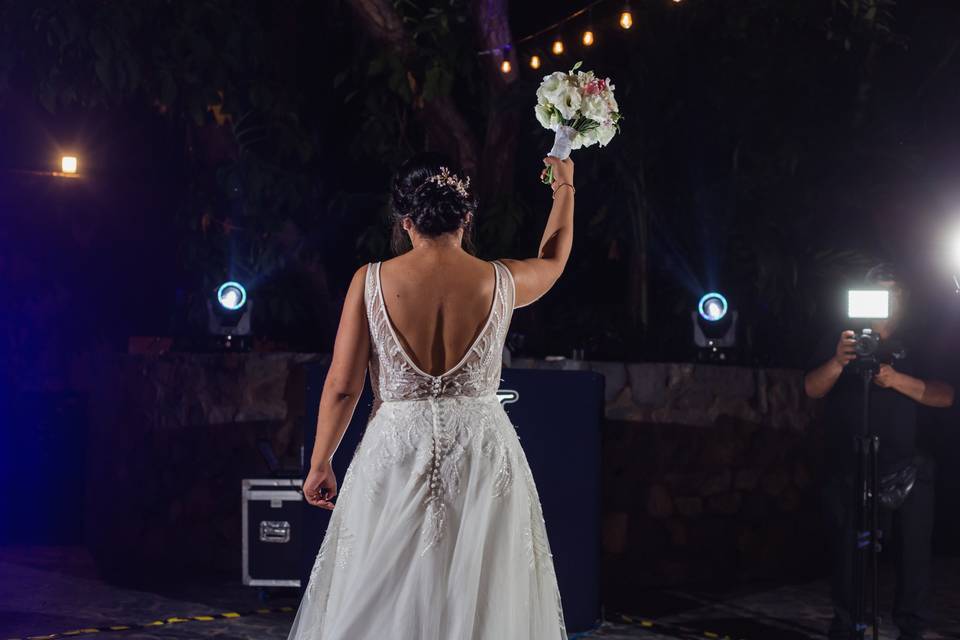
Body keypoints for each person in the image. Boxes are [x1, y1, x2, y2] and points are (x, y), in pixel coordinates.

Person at [286, 153, 575, 640]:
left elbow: (342, 386)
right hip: (481, 452)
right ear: (466, 218)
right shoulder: (498, 281)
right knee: (479, 598)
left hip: (397, 450)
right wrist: (564, 188)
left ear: (406, 221)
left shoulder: (371, 281)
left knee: (383, 590)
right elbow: (553, 261)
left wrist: (321, 462)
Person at [804, 263, 954, 640]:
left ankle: (912, 628)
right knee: (849, 554)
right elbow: (811, 389)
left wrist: (896, 378)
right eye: (880, 292)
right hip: (851, 465)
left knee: (913, 556)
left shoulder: (919, 340)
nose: (889, 300)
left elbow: (945, 396)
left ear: (903, 297)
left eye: (894, 291)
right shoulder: (844, 339)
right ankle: (847, 626)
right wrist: (839, 360)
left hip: (910, 466)